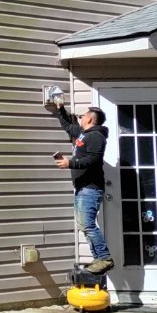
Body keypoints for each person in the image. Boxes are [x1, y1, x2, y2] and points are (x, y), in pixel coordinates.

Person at [47, 95, 113, 274]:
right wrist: (60, 109)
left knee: (88, 224)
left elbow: (93, 159)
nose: (80, 118)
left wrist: (70, 163)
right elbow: (69, 127)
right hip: (82, 187)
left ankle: (104, 258)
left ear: (90, 118)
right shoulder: (84, 134)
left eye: (83, 116)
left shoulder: (96, 136)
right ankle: (98, 259)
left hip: (90, 188)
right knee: (85, 224)